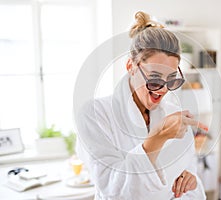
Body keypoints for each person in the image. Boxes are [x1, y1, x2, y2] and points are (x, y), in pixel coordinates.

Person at [76, 11, 207, 200]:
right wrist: (157, 137)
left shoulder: (173, 117)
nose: (162, 90)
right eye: (154, 79)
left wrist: (191, 182)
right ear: (131, 66)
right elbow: (115, 190)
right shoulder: (95, 115)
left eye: (171, 80)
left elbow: (190, 187)